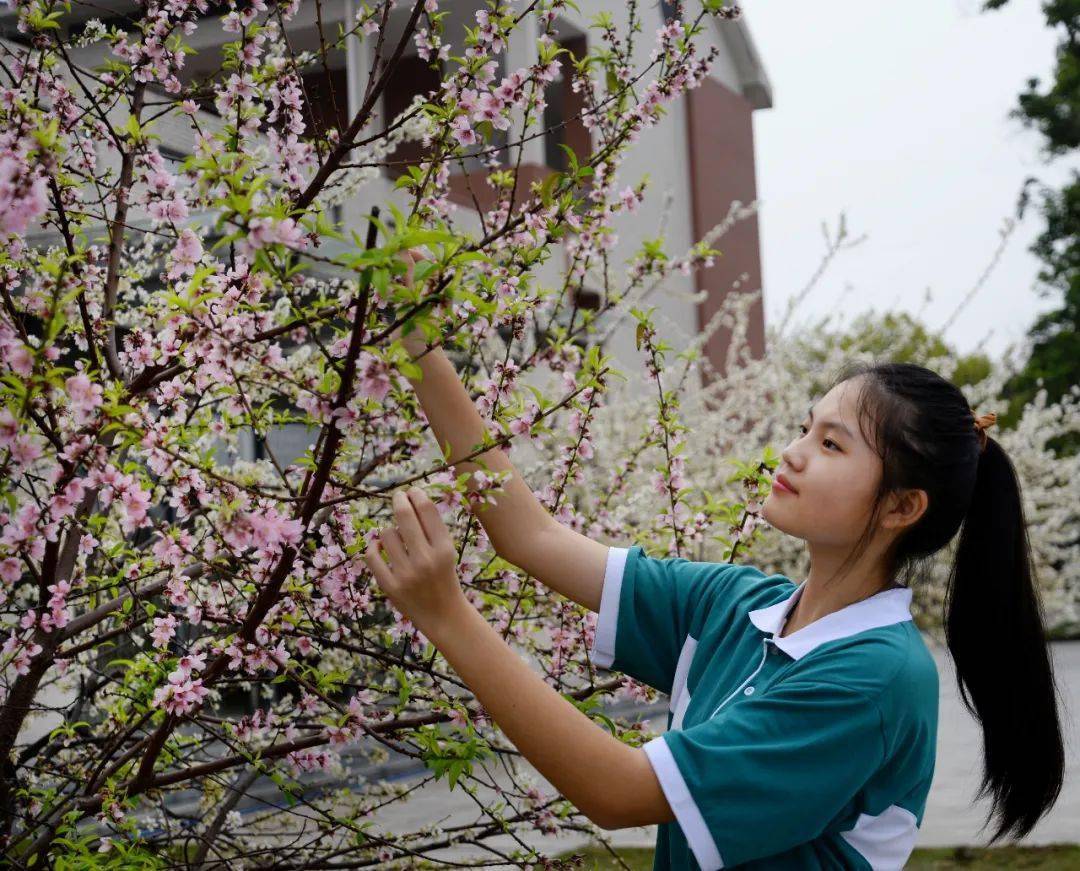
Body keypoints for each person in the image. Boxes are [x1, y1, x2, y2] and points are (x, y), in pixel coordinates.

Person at [362, 249, 1066, 870]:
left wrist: (448, 616)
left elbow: (619, 791)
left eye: (831, 444)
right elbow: (529, 535)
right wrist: (419, 343)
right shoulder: (737, 604)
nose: (791, 452)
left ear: (900, 507)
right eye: (804, 429)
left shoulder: (875, 678)